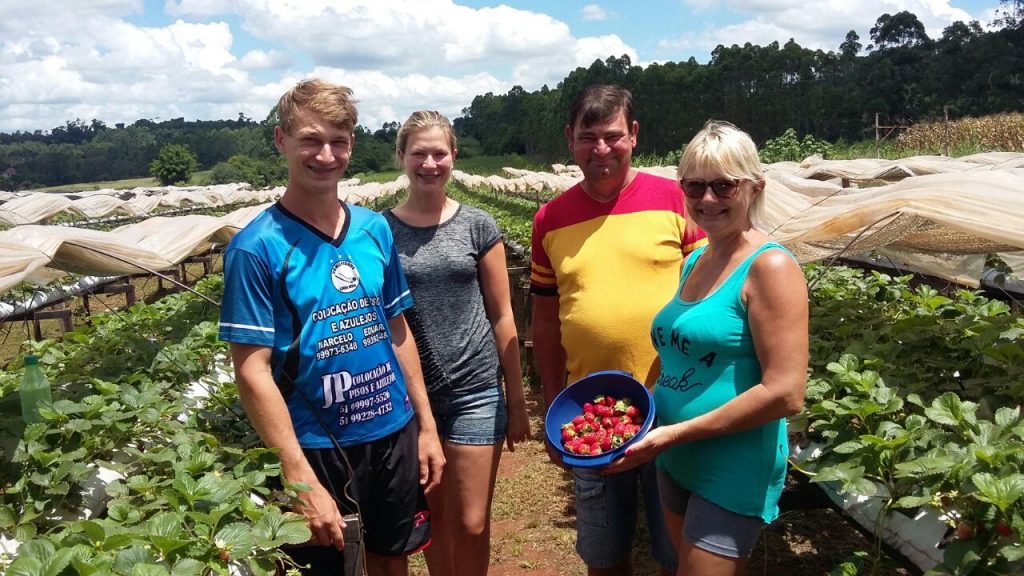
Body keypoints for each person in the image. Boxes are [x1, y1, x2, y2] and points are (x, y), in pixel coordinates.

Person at [218, 79, 445, 576]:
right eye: (311, 140)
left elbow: (396, 330)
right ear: (282, 141)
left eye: (338, 142)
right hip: (319, 449)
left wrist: (425, 426)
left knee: (393, 558)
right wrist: (295, 471)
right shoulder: (256, 248)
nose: (325, 155)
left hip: (391, 431)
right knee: (331, 567)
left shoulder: (373, 229)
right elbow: (251, 371)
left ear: (352, 145)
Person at [604, 120, 809, 576]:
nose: (708, 199)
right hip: (675, 455)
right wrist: (641, 409)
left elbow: (786, 392)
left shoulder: (770, 266)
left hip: (730, 463)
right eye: (695, 186)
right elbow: (678, 349)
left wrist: (673, 433)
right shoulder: (698, 257)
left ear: (754, 187)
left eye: (724, 185)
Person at [530, 84, 707, 576]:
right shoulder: (550, 219)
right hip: (591, 411)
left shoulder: (676, 200)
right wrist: (550, 404)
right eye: (589, 137)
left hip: (672, 406)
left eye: (612, 136)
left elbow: (712, 295)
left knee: (678, 549)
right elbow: (544, 323)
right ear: (571, 140)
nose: (601, 149)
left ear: (633, 135)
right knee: (605, 551)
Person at [381, 110, 531, 576]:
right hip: (410, 395)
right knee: (436, 520)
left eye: (439, 153)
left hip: (476, 390)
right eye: (419, 153)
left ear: (454, 157)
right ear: (402, 157)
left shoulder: (478, 225)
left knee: (471, 522)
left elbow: (502, 313)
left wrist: (518, 399)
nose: (430, 163)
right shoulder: (380, 232)